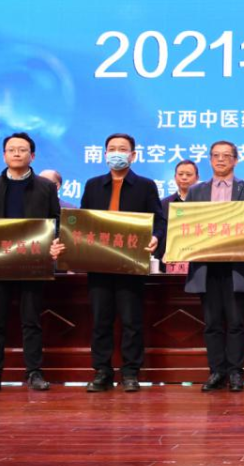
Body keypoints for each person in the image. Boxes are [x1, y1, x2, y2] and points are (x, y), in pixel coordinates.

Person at [53, 133, 162, 393]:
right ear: (104, 154)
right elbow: (82, 222)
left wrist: (156, 237)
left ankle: (131, 372)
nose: (117, 153)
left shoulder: (145, 186)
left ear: (133, 155)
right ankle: (102, 371)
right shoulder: (93, 185)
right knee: (101, 320)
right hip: (99, 263)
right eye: (112, 149)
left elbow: (159, 220)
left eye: (122, 149)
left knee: (131, 320)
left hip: (131, 264)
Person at [0, 132, 61, 393]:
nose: (16, 153)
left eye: (22, 149)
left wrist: (55, 242)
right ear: (4, 155)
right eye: (11, 149)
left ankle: (34, 373)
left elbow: (56, 221)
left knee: (31, 320)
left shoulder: (45, 187)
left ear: (33, 155)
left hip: (33, 263)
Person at [185, 142, 244, 393]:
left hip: (236, 266)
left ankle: (236, 372)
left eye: (226, 156)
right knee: (212, 323)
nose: (221, 160)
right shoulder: (196, 191)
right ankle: (217, 371)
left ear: (236, 160)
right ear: (210, 160)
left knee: (236, 322)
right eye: (216, 156)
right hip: (206, 266)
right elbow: (186, 226)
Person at [156, 160, 200, 272]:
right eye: (180, 174)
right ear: (175, 177)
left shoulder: (204, 203)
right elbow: (159, 233)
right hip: (169, 264)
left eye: (188, 174)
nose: (184, 177)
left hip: (198, 263)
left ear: (197, 178)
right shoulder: (164, 204)